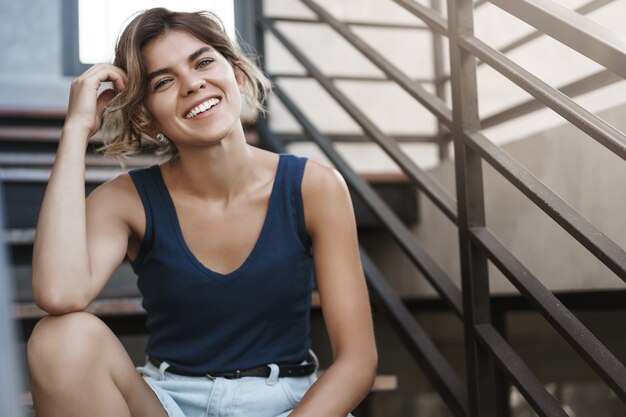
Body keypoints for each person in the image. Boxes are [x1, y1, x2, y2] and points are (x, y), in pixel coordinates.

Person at [26, 7, 377, 417]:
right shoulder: (126, 201)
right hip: (171, 403)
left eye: (204, 62)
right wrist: (76, 130)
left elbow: (357, 362)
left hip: (290, 404)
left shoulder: (314, 187)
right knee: (58, 339)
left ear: (238, 76)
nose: (192, 84)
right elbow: (58, 294)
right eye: (164, 81)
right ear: (147, 120)